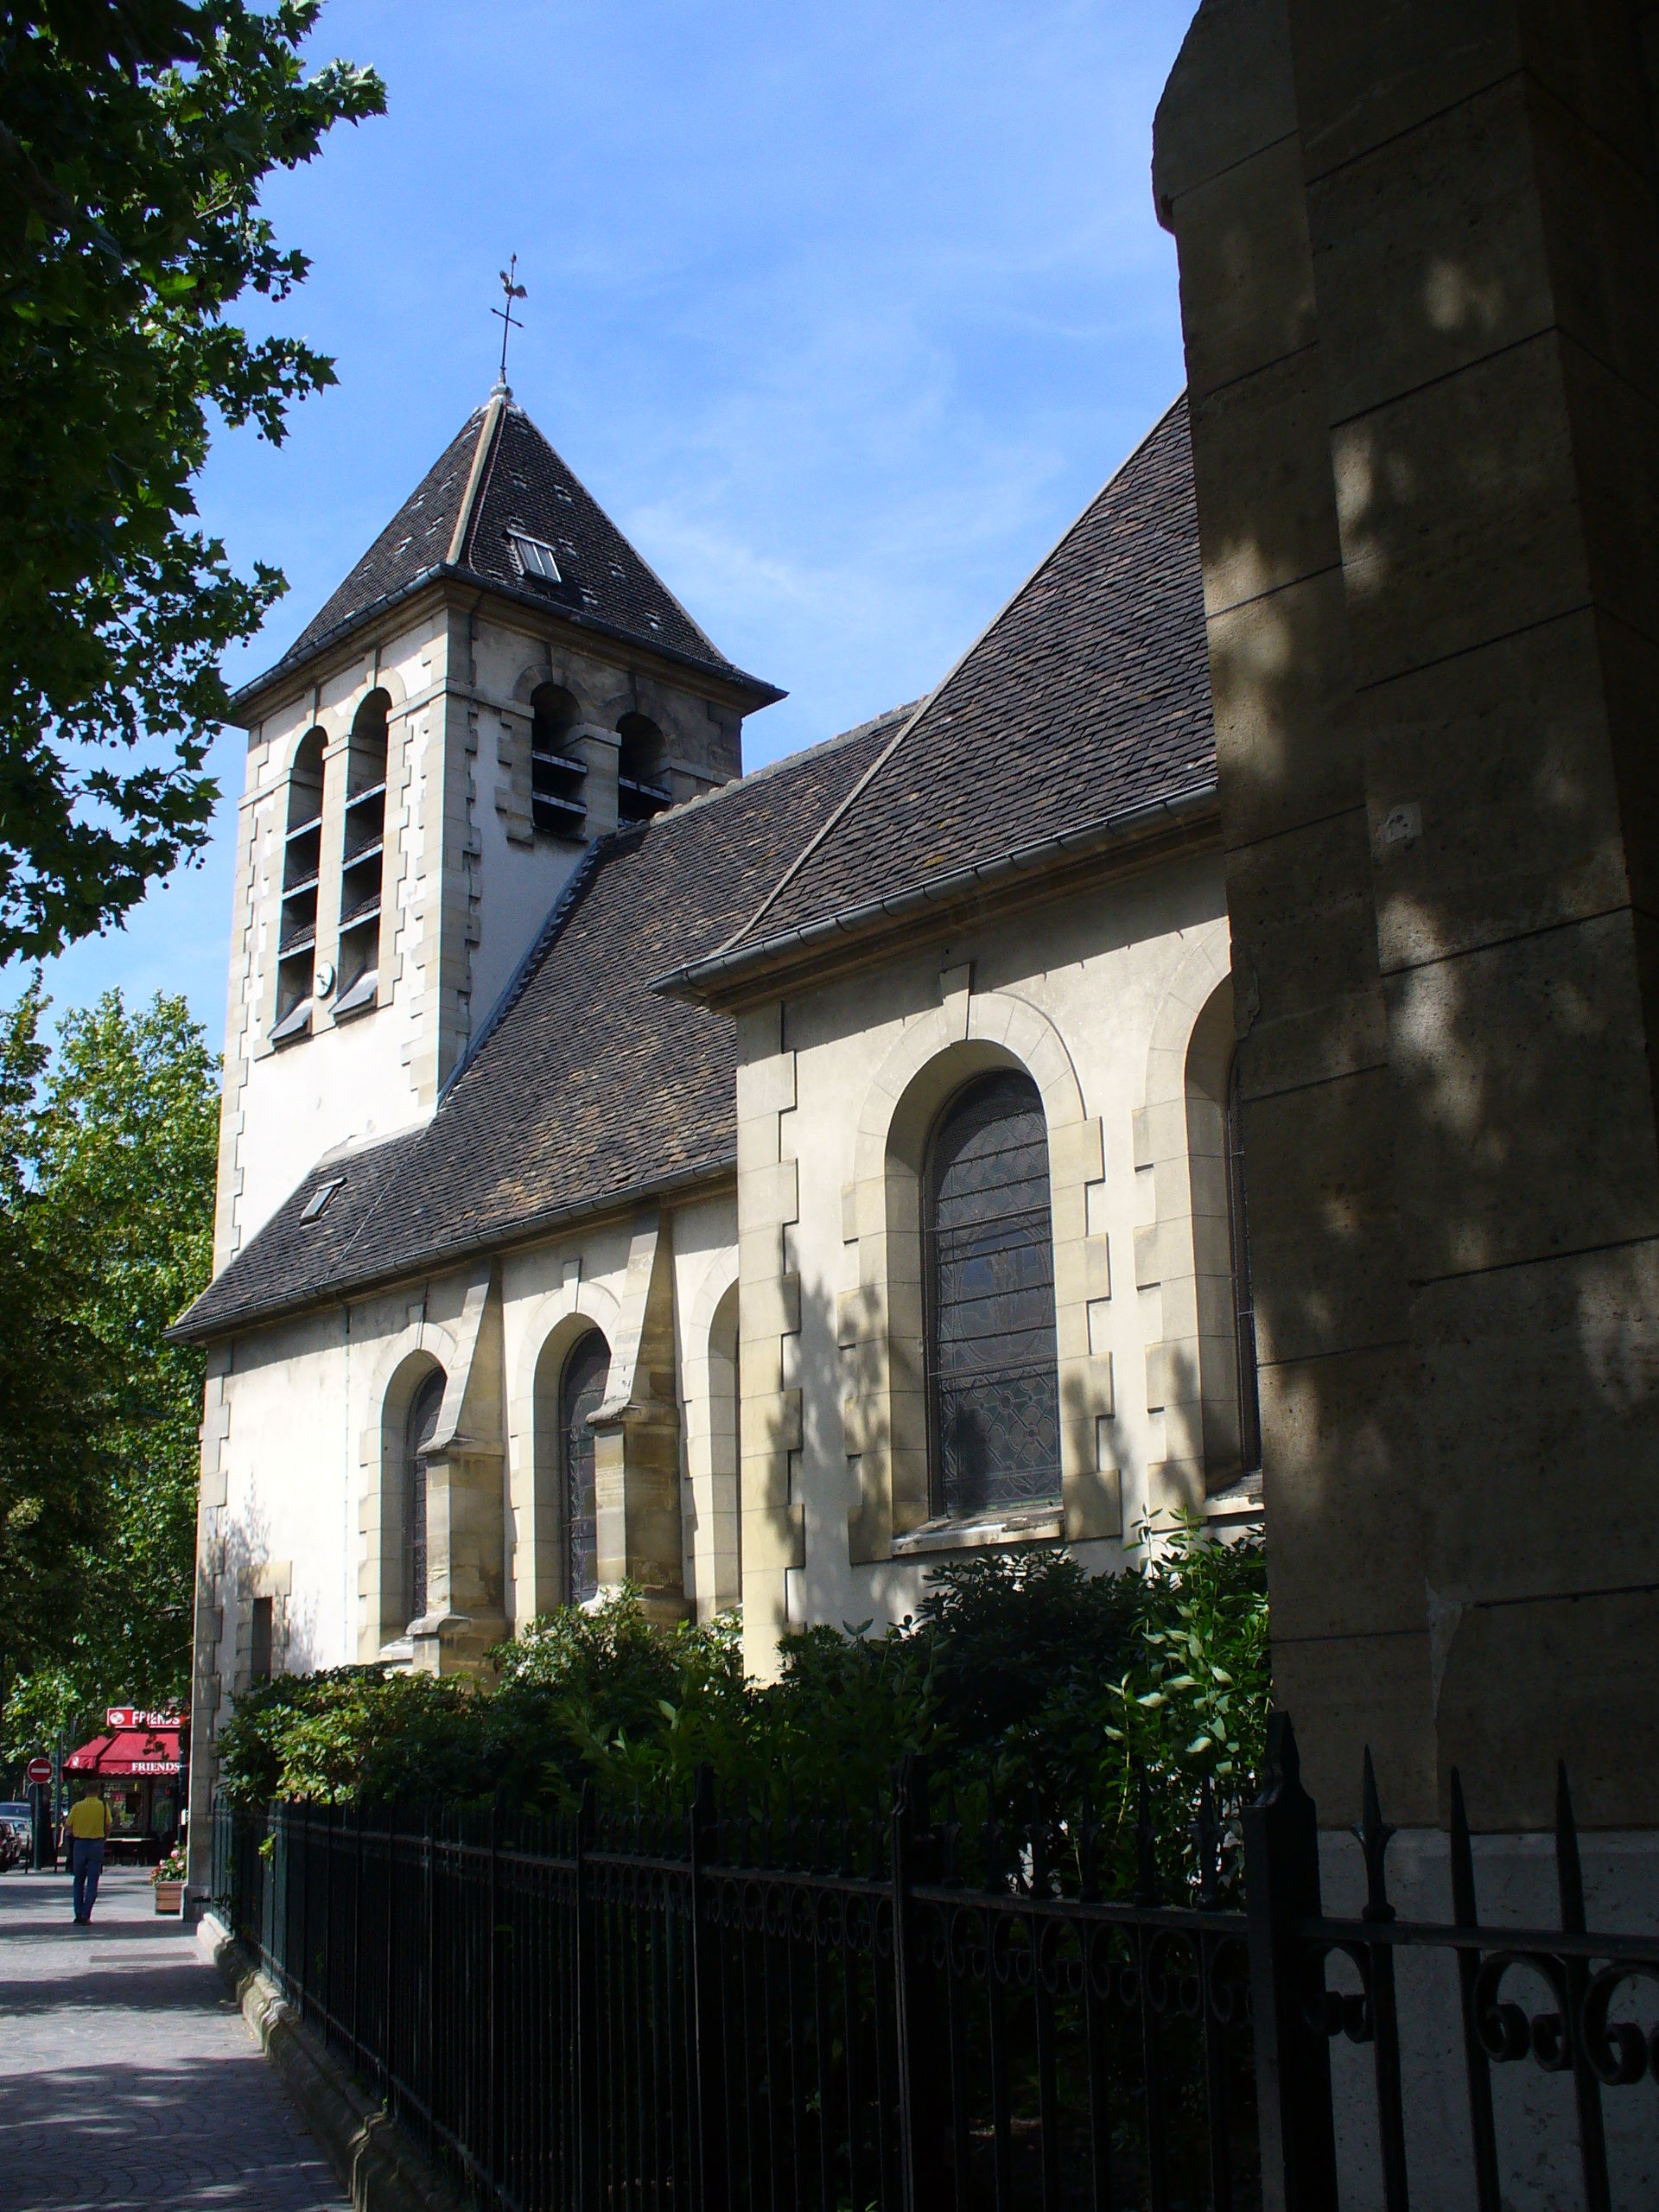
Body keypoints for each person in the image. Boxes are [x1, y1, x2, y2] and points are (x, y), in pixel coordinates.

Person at [63, 1792, 108, 1923]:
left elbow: (68, 1825)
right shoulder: (103, 1806)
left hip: (80, 1844)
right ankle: (86, 1913)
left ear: (85, 1793)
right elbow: (109, 1824)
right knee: (93, 1881)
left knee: (78, 1880)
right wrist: (104, 1838)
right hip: (96, 1844)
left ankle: (78, 1913)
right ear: (97, 1792)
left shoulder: (78, 1806)